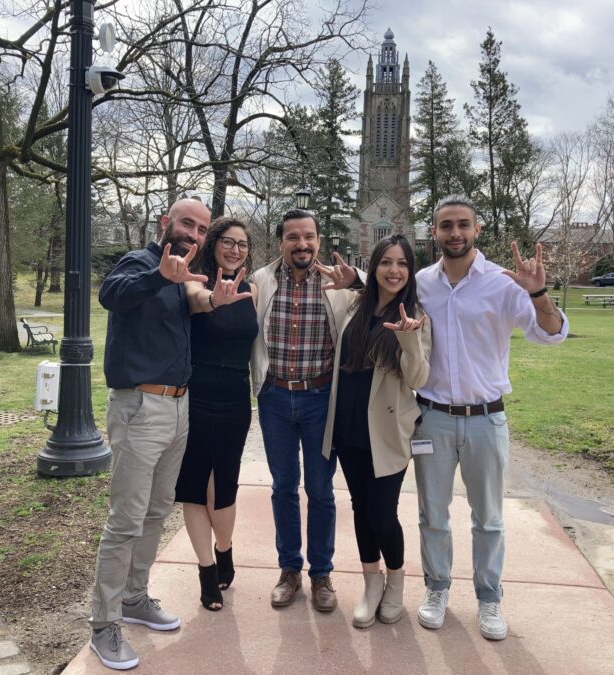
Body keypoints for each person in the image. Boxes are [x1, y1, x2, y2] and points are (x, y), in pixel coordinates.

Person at [413, 194, 567, 641]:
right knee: (432, 515)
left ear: (476, 229)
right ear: (435, 232)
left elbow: (551, 335)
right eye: (446, 225)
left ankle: (488, 597)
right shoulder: (422, 282)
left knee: (489, 518)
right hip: (433, 418)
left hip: (486, 419)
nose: (455, 233)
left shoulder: (503, 282)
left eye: (463, 224)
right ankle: (437, 587)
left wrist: (536, 292)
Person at [89, 197, 230, 671]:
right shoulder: (140, 262)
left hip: (178, 406)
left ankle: (134, 598)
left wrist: (211, 299)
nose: (192, 233)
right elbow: (111, 294)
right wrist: (159, 277)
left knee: (154, 512)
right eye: (186, 223)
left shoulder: (187, 274)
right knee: (125, 520)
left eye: (201, 228)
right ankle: (103, 625)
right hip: (139, 406)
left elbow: (195, 302)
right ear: (165, 223)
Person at [250, 208, 362, 613]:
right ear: (281, 241)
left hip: (320, 400)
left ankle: (321, 574)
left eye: (309, 236)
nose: (302, 244)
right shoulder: (261, 281)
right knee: (283, 487)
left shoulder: (338, 284)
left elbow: (386, 295)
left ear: (317, 239)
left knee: (320, 489)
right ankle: (289, 571)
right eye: (293, 236)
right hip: (275, 398)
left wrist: (360, 281)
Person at [321, 234, 431, 629]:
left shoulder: (416, 315)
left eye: (402, 263)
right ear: (375, 266)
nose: (394, 270)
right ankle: (371, 584)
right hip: (349, 425)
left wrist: (409, 339)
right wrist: (351, 281)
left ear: (410, 270)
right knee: (360, 508)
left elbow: (418, 376)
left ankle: (397, 584)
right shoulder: (357, 303)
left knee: (383, 512)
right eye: (386, 262)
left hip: (386, 429)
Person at [175, 217, 257, 612]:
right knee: (193, 485)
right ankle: (207, 571)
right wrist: (212, 299)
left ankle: (224, 548)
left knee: (221, 487)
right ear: (214, 244)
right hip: (196, 394)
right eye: (228, 242)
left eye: (242, 244)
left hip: (236, 399)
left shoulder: (253, 290)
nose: (235, 249)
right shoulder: (197, 279)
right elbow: (194, 299)